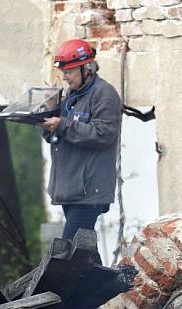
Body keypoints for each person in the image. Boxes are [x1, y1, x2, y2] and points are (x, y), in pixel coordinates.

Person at [41, 39, 122, 241]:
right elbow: (56, 136)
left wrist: (62, 125)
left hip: (89, 190)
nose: (65, 77)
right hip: (71, 189)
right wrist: (50, 111)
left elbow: (104, 134)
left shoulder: (104, 94)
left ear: (87, 68)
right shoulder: (72, 97)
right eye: (64, 72)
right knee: (84, 252)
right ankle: (106, 275)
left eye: (69, 72)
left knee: (70, 248)